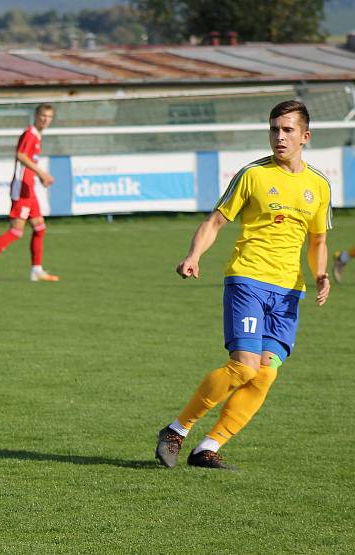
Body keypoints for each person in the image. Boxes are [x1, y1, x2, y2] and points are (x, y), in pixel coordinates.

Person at [155, 100, 331, 470]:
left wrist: (320, 274)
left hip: (288, 291)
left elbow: (317, 242)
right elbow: (215, 221)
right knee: (244, 367)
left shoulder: (319, 185)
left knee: (266, 373)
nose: (279, 137)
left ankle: (208, 447)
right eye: (273, 129)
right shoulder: (253, 174)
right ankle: (176, 429)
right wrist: (193, 255)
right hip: (248, 279)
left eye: (287, 130)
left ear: (305, 136)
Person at [0, 103, 59, 284]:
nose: (46, 120)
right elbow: (20, 155)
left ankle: (37, 270)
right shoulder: (30, 134)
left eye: (49, 117)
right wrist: (42, 173)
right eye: (43, 116)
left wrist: (38, 176)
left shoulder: (37, 136)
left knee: (39, 228)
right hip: (21, 188)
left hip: (30, 188)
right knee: (16, 231)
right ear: (36, 115)